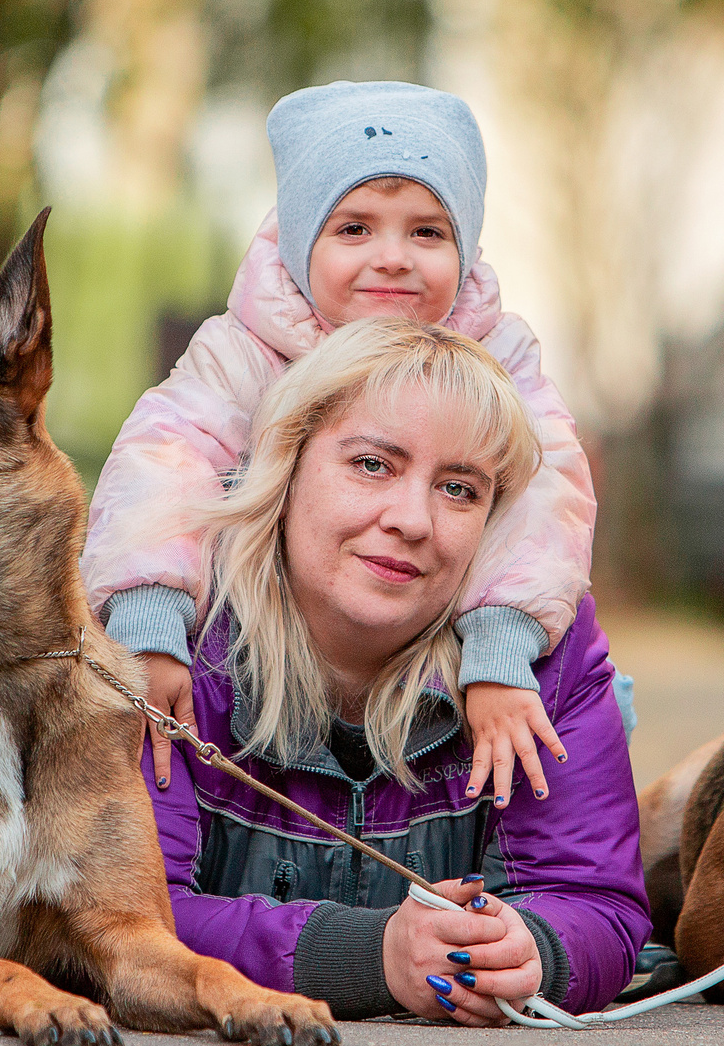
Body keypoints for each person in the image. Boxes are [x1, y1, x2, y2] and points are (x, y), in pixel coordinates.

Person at [83, 80, 598, 808]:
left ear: (467, 246)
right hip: (269, 651)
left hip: (434, 651)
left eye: (427, 232)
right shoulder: (247, 348)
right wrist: (149, 615)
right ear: (301, 242)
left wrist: (502, 644)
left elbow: (548, 496)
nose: (392, 257)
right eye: (354, 229)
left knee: (573, 707)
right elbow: (165, 461)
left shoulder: (499, 356)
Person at [143, 316, 646, 1025]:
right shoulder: (168, 648)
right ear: (285, 465)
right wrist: (368, 956)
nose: (412, 519)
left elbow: (597, 901)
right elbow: (119, 918)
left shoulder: (543, 660)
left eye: (459, 489)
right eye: (373, 464)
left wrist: (534, 950)